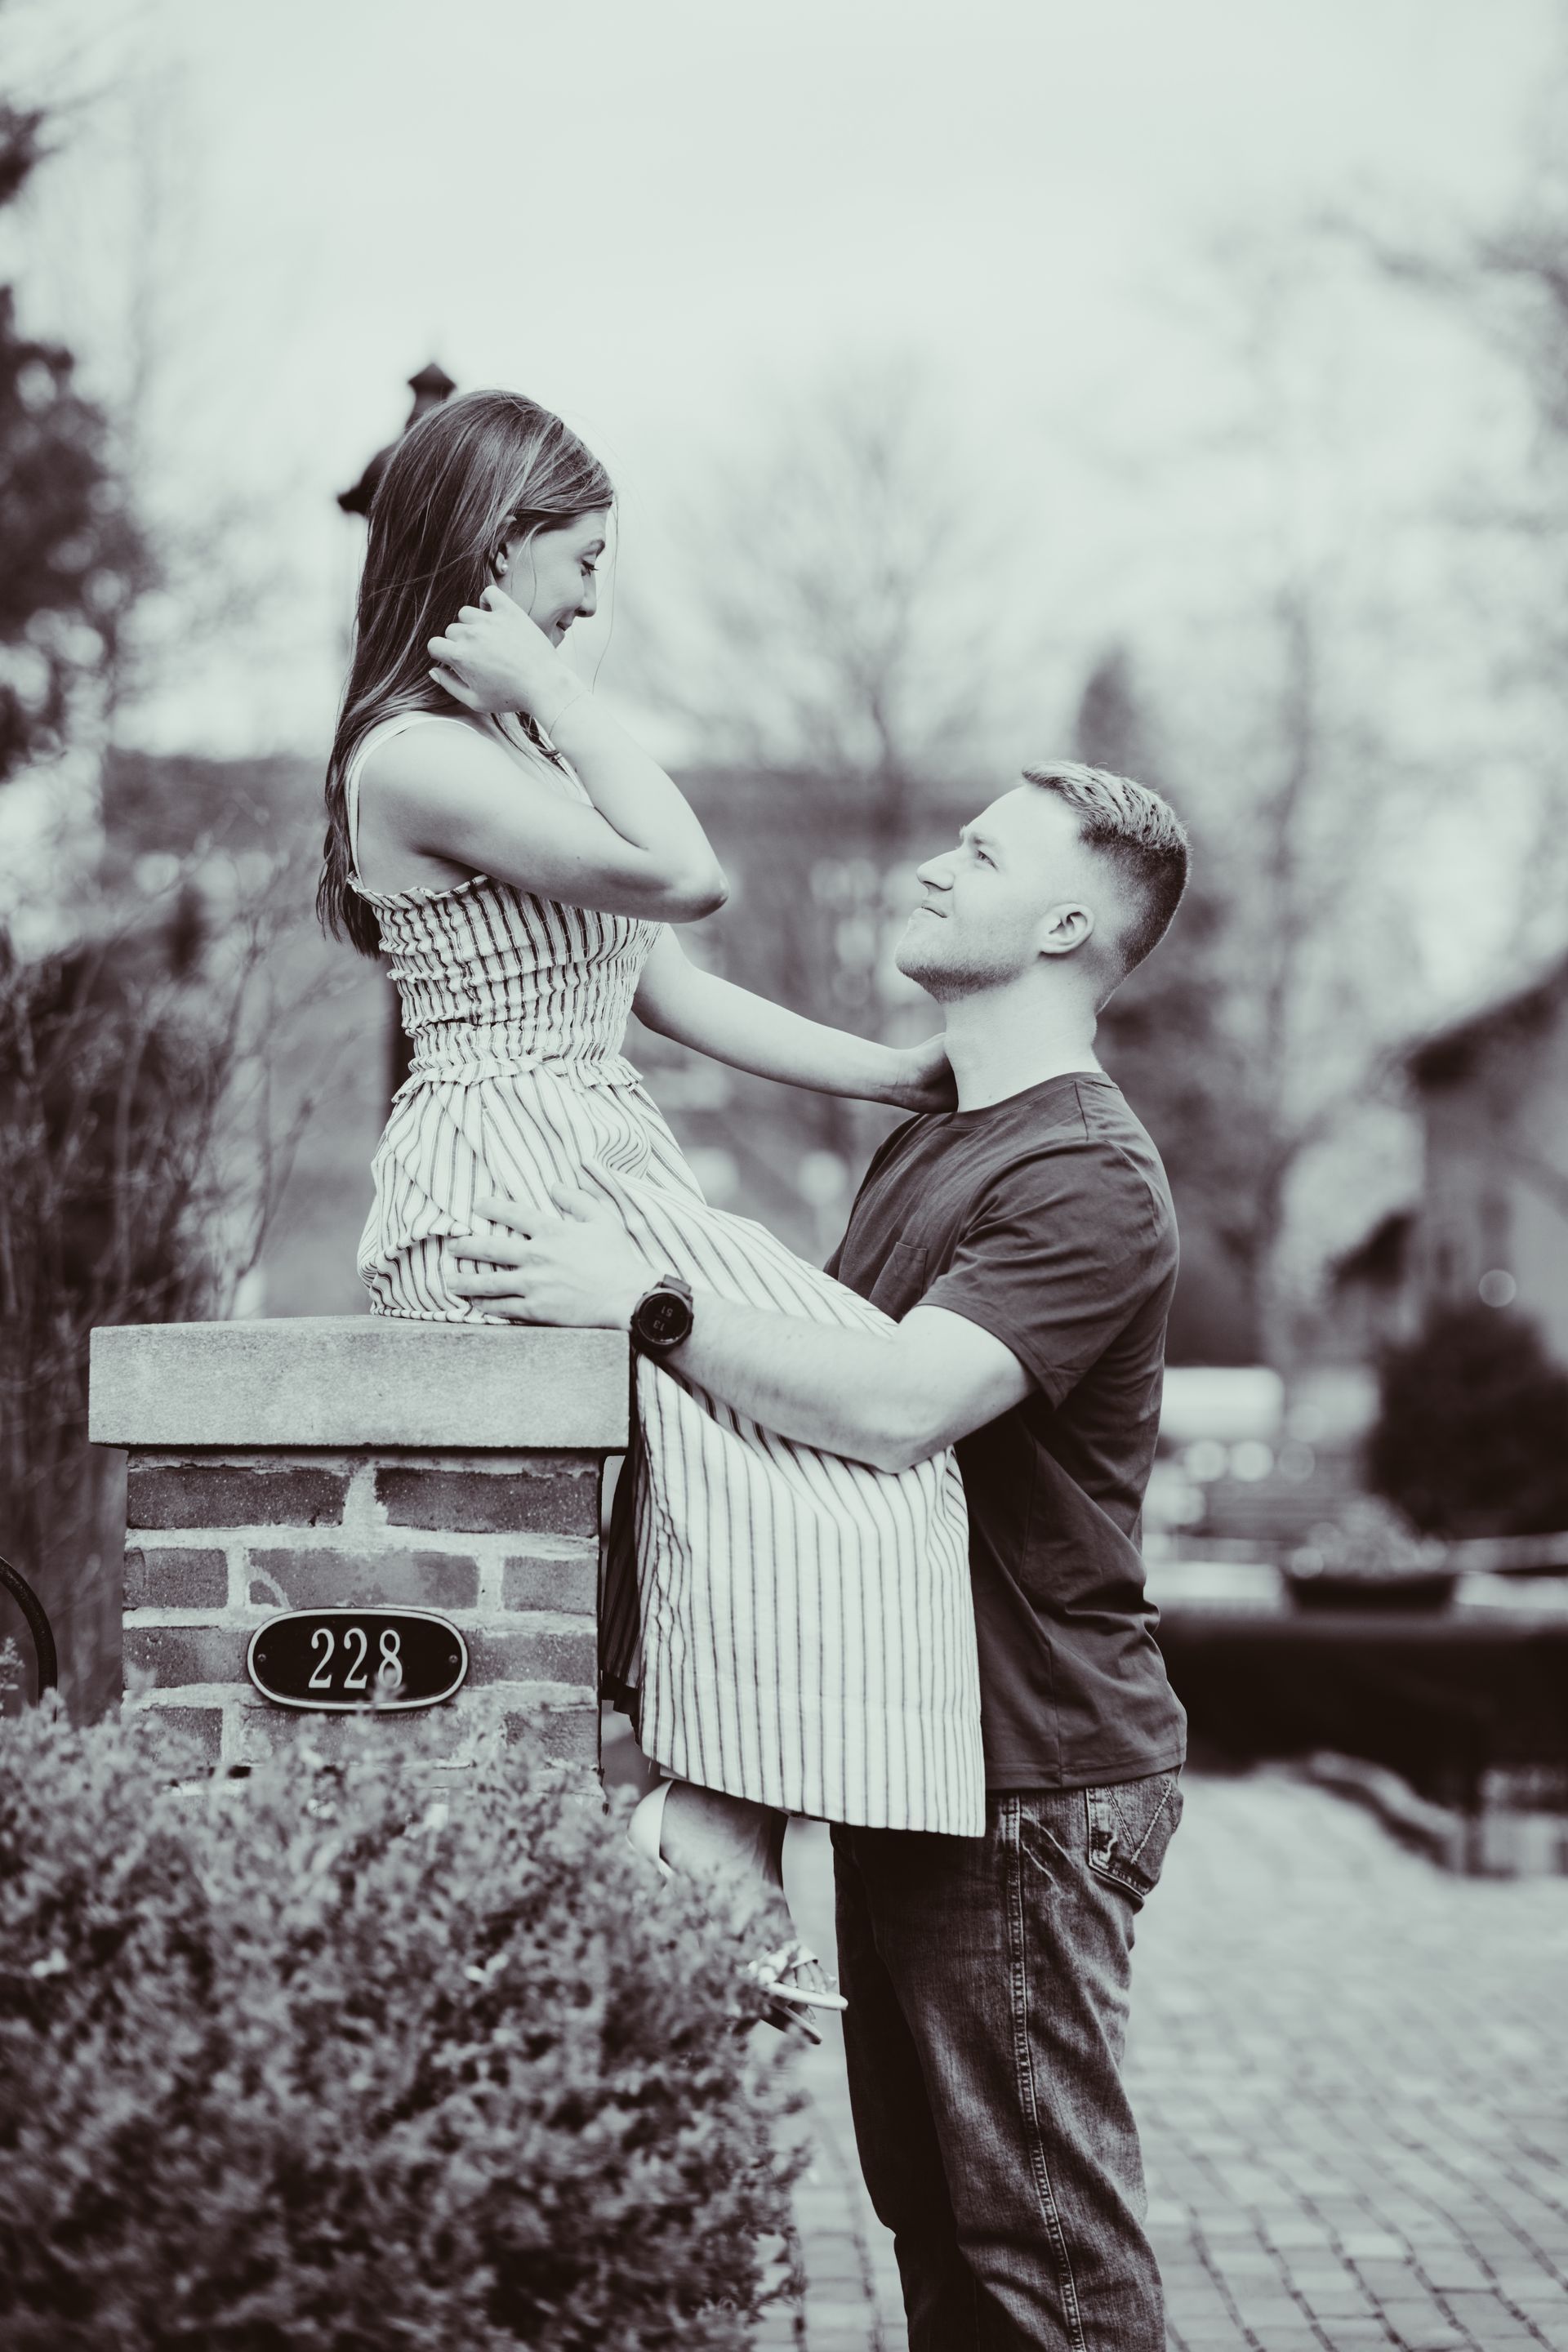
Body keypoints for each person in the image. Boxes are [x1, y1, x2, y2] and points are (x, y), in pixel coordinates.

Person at [449, 760, 1192, 2352]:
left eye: (974, 853)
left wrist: (647, 1298)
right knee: (952, 2247)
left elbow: (897, 1411)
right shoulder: (947, 1139)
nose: (931, 868)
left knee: (1042, 2273)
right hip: (928, 1764)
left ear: (1066, 922)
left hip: (1032, 1786)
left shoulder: (1084, 1174)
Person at [317, 386, 984, 2034]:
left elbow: (659, 978)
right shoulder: (413, 759)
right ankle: (704, 1864)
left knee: (838, 1449)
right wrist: (550, 691)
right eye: (582, 562)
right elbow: (691, 876)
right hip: (509, 1176)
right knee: (782, 1467)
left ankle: (710, 1843)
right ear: (493, 543)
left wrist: (894, 1079)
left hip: (602, 1151)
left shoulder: (519, 750)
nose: (595, 604)